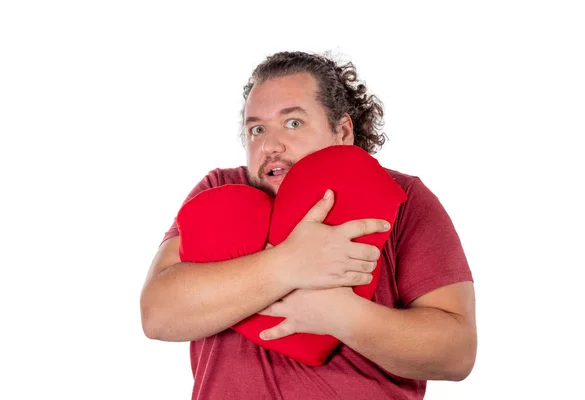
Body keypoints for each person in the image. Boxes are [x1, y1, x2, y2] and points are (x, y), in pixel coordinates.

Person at [140, 51, 476, 400]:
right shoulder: (218, 193)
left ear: (342, 130)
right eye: (256, 129)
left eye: (293, 123)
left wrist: (341, 316)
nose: (270, 145)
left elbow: (457, 353)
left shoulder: (402, 198)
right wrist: (287, 266)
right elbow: (158, 314)